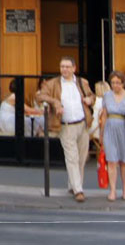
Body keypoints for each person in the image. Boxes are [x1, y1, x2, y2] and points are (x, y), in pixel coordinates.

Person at [36, 58, 96, 202]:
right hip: (65, 125)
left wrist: (90, 100)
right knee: (72, 158)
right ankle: (78, 190)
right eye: (62, 66)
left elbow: (92, 96)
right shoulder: (53, 83)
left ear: (74, 68)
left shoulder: (82, 82)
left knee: (81, 158)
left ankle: (73, 185)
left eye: (68, 67)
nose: (65, 70)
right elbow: (40, 96)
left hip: (83, 124)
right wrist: (55, 102)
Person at [97, 70, 125, 202]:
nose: (115, 85)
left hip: (124, 129)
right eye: (113, 83)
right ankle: (113, 190)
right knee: (112, 160)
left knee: (124, 161)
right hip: (110, 128)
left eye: (118, 83)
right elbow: (104, 115)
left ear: (123, 83)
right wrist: (101, 133)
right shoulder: (107, 96)